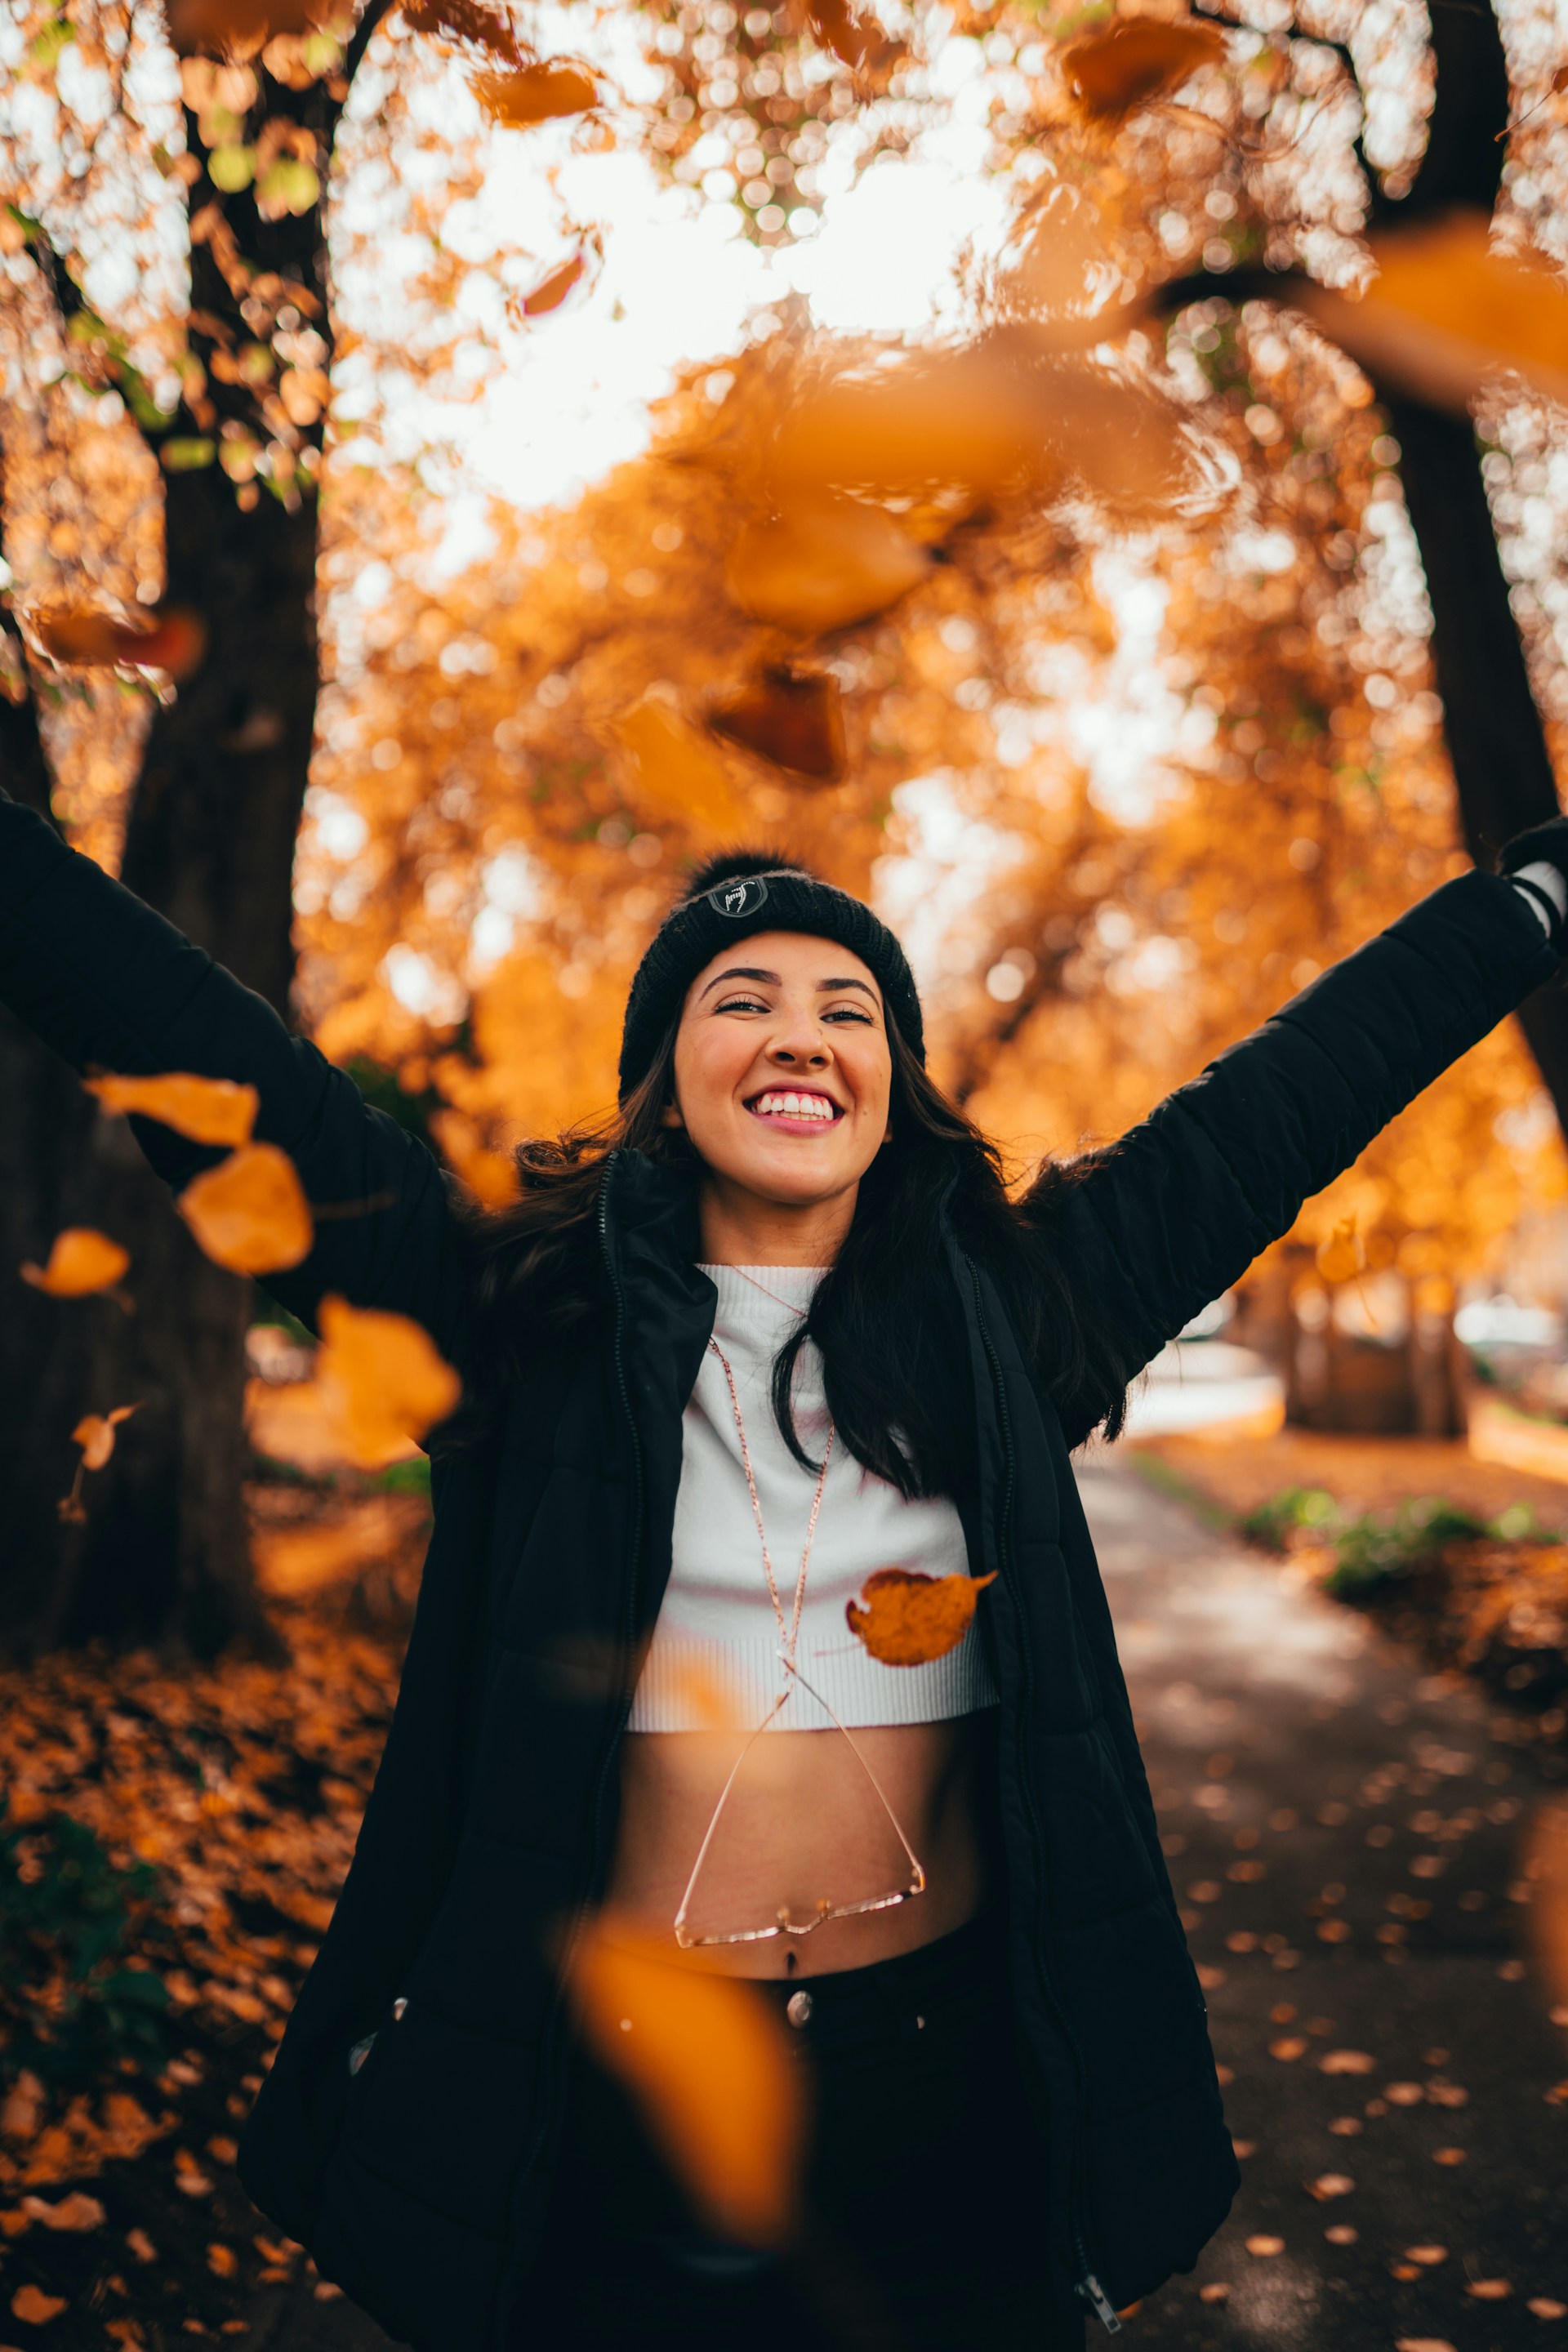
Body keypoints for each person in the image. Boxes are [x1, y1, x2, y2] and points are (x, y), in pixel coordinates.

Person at [3, 786, 1568, 2352]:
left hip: (949, 2093)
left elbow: (1287, 1099)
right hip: (626, 2086)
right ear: (662, 1085)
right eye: (740, 1001)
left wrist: (1528, 907)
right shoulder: (515, 1322)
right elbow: (218, 1064)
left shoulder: (1015, 1318)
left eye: (851, 1010)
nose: (803, 1035)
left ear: (895, 1085)